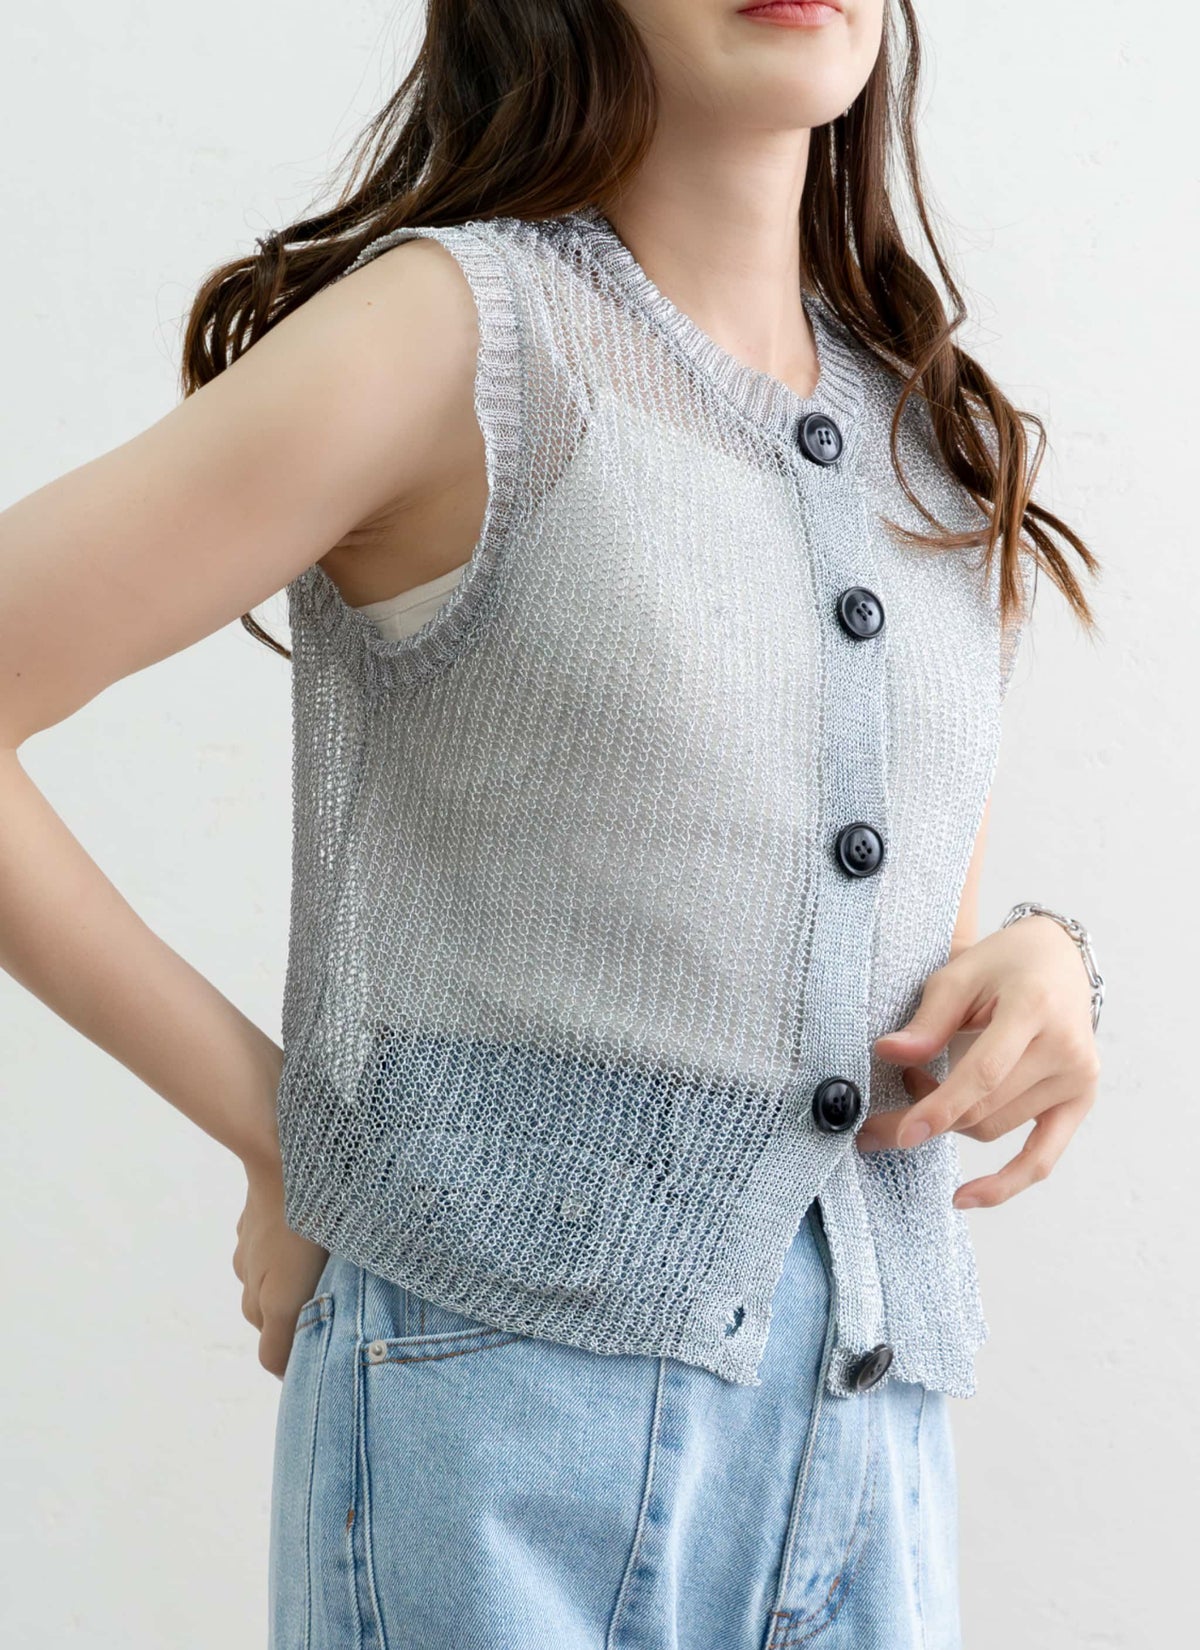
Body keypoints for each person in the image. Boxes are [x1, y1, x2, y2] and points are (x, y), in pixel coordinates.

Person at [0, 2, 1106, 1646]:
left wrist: (1044, 959)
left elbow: (869, 958)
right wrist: (289, 1131)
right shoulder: (464, 336)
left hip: (869, 1441)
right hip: (507, 1409)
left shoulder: (933, 440)